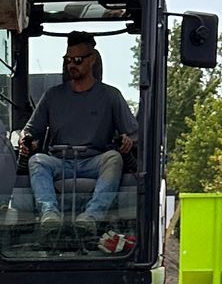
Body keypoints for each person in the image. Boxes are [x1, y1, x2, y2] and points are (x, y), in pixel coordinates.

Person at [20, 36, 137, 242]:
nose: (71, 65)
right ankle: (49, 215)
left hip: (94, 160)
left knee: (114, 159)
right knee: (37, 161)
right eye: (68, 60)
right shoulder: (52, 96)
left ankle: (91, 217)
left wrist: (128, 140)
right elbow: (30, 130)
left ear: (92, 60)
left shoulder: (110, 96)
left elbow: (133, 134)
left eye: (78, 60)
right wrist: (26, 140)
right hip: (59, 161)